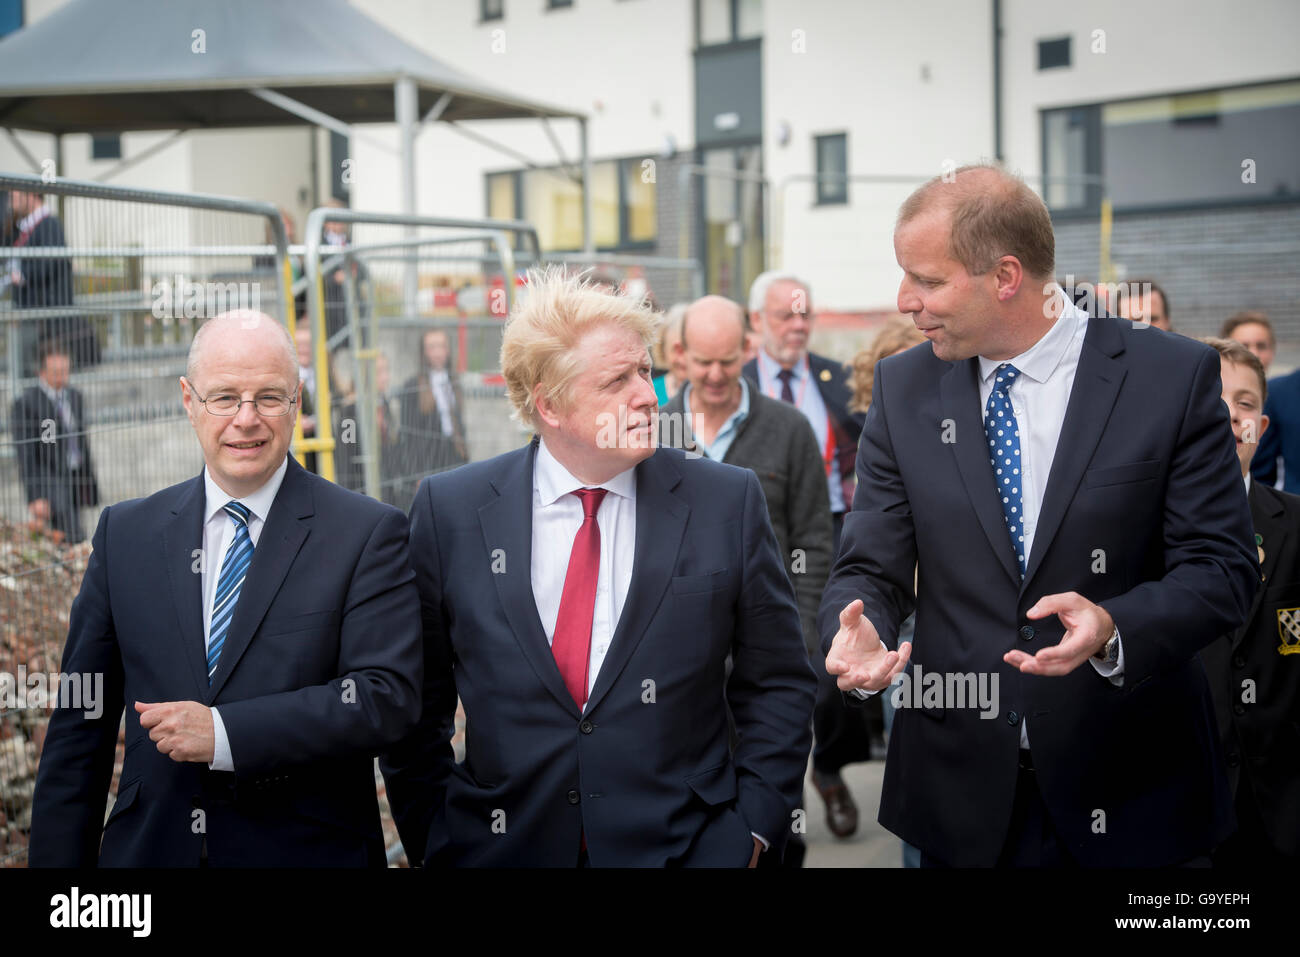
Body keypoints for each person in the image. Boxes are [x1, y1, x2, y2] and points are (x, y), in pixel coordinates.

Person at [820, 164, 1257, 867]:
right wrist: (860, 623)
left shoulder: (1168, 377)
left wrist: (1117, 624)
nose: (906, 300)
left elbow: (1224, 570)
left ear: (1006, 276)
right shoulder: (905, 390)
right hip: (960, 798)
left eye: (927, 280)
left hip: (1133, 788)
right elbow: (870, 563)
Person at [380, 270, 815, 867]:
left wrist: (753, 832)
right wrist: (438, 837)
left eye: (644, 370)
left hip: (688, 847)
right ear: (550, 404)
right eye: (618, 380)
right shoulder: (450, 510)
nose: (649, 395)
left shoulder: (725, 501)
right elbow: (417, 707)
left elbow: (778, 682)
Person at [29, 310, 422, 867]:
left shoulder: (366, 533)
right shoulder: (127, 536)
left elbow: (386, 697)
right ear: (189, 401)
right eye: (224, 398)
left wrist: (224, 733)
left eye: (268, 397)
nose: (246, 419)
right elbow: (78, 730)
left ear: (297, 402)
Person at [745, 270, 871, 840]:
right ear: (756, 323)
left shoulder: (835, 381)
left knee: (828, 669)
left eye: (804, 315)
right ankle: (780, 799)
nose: (797, 326)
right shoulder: (731, 381)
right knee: (763, 677)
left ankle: (829, 767)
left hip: (830, 539)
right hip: (759, 541)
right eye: (784, 316)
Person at [1197, 337, 1299, 866]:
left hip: (1277, 810)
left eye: (1245, 404)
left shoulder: (1295, 524)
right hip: (1179, 803)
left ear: (1261, 426)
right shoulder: (1135, 529)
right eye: (1213, 402)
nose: (1231, 416)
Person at [845, 315, 926, 868]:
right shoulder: (884, 448)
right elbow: (874, 550)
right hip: (906, 625)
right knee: (919, 769)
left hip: (949, 621)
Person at [11, 342, 100, 544]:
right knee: (71, 534)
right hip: (49, 478)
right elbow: (26, 454)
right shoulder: (28, 403)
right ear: (41, 372)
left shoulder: (74, 396)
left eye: (65, 371)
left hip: (76, 474)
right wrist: (35, 496)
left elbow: (81, 439)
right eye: (56, 372)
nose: (62, 377)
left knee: (73, 530)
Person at [4, 189, 98, 374]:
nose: (11, 203)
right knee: (31, 374)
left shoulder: (48, 224)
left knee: (42, 372)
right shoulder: (23, 227)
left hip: (48, 320)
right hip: (35, 317)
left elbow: (50, 263)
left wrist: (21, 275)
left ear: (31, 196)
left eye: (15, 197)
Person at [398, 327, 468, 482]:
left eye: (441, 346)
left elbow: (459, 425)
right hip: (428, 460)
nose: (437, 353)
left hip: (453, 456)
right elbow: (407, 434)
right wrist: (415, 473)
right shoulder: (412, 386)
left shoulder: (454, 382)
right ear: (424, 352)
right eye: (432, 347)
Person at [651, 302, 688, 404]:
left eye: (687, 349)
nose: (682, 359)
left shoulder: (713, 392)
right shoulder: (650, 392)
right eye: (676, 350)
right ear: (663, 350)